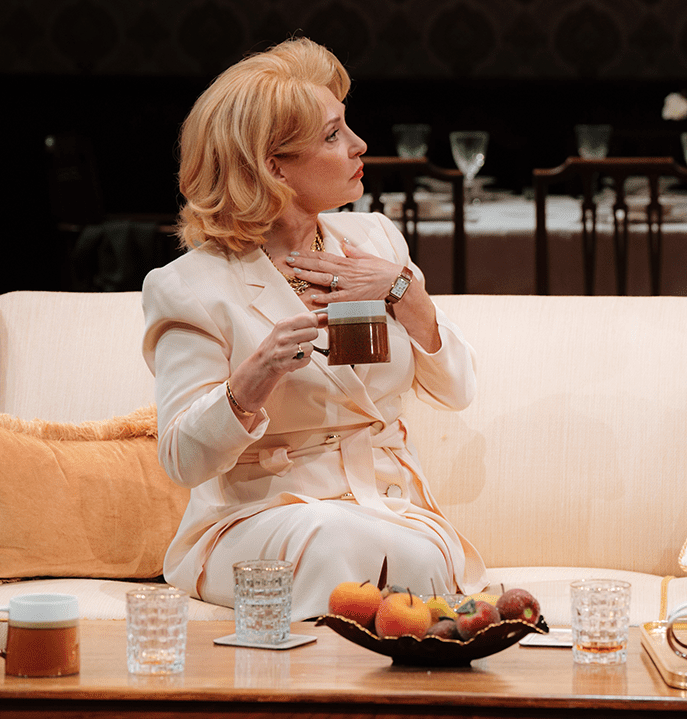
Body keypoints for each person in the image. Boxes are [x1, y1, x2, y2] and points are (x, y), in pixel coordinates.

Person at [142, 37, 484, 619]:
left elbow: (458, 390)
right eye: (332, 135)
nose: (358, 144)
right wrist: (254, 377)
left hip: (389, 508)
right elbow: (181, 459)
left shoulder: (376, 241)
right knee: (331, 537)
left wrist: (404, 291)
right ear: (273, 167)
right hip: (260, 517)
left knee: (408, 554)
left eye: (345, 125)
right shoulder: (192, 286)